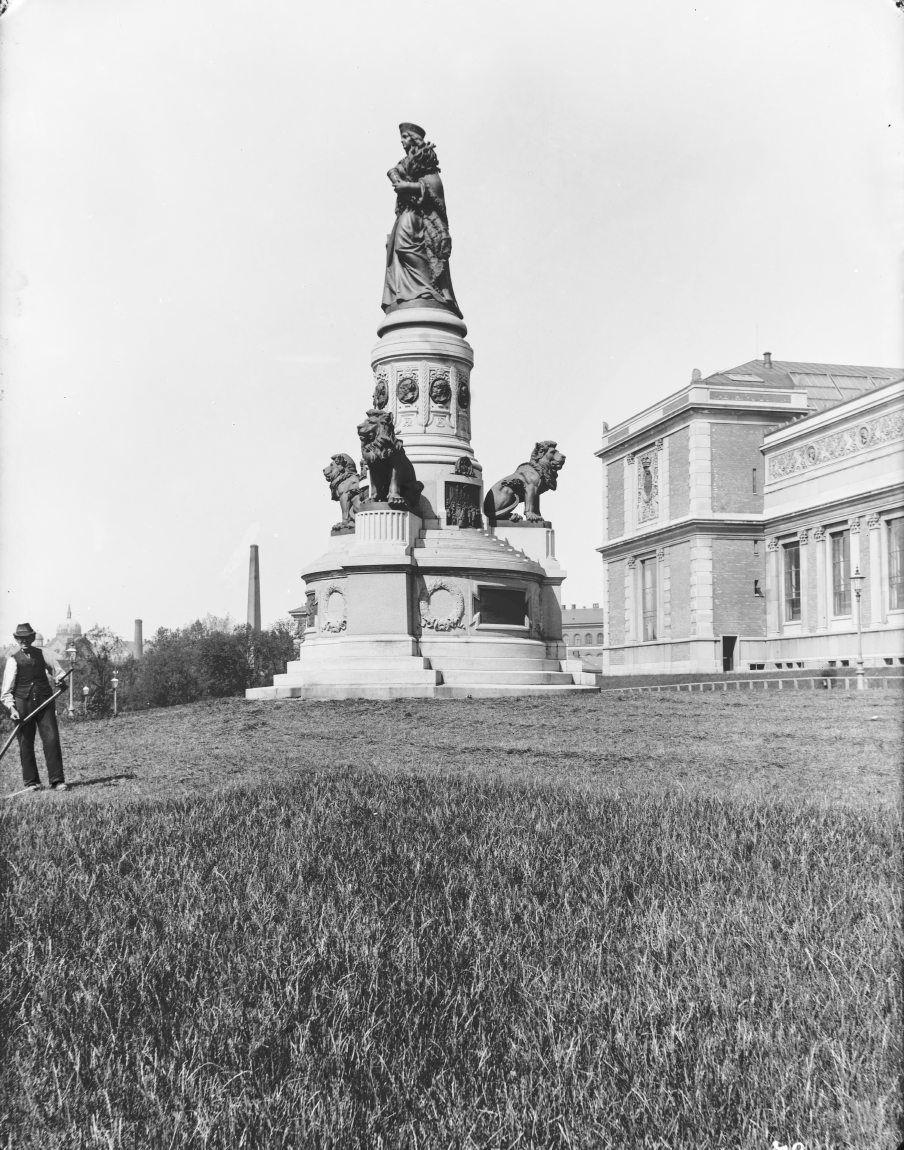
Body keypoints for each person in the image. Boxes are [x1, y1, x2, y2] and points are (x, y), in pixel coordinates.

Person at [382, 122, 462, 317]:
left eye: (404, 137)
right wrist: (396, 179)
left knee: (403, 246)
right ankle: (414, 291)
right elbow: (392, 171)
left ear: (413, 139)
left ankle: (429, 289)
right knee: (397, 248)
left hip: (420, 215)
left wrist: (407, 187)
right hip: (407, 211)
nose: (402, 141)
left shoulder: (424, 157)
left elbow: (433, 185)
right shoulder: (405, 161)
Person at [1, 623, 68, 791]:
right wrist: (12, 709)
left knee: (51, 739)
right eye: (20, 638)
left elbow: (58, 671)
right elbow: (6, 691)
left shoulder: (43, 654)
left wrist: (60, 679)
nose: (24, 641)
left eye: (27, 638)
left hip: (45, 701)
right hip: (22, 704)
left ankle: (57, 780)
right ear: (17, 639)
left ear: (32, 638)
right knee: (25, 742)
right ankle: (32, 782)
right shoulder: (12, 660)